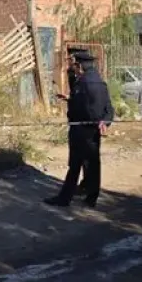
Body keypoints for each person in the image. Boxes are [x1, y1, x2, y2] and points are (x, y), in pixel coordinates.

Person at [44, 50, 113, 208]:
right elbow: (108, 107)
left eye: (74, 65)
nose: (72, 68)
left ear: (80, 66)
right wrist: (105, 122)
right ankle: (91, 197)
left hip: (80, 129)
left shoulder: (83, 84)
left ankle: (64, 198)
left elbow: (80, 108)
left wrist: (71, 103)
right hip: (94, 130)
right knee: (92, 164)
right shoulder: (100, 82)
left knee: (75, 165)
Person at [55, 47, 95, 195]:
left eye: (71, 59)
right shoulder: (74, 74)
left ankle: (79, 188)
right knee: (80, 159)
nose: (69, 61)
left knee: (81, 159)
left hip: (82, 123)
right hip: (77, 120)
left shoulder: (84, 78)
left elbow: (84, 100)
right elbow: (76, 95)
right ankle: (83, 186)